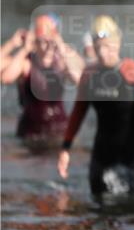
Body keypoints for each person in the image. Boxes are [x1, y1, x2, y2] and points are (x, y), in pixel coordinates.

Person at [57, 16, 134, 202]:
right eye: (98, 47)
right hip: (103, 150)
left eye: (107, 46)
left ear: (118, 44)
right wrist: (65, 148)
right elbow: (78, 113)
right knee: (97, 202)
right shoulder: (89, 76)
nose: (102, 52)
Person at [1, 15, 84, 150]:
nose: (48, 47)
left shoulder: (62, 61)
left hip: (59, 132)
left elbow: (79, 78)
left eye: (51, 42)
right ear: (35, 43)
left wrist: (62, 47)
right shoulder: (26, 63)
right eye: (43, 42)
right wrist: (20, 47)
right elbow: (6, 78)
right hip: (31, 134)